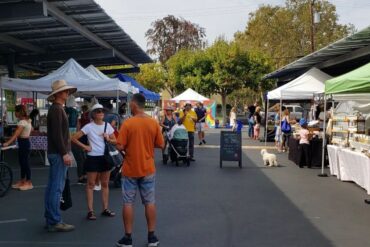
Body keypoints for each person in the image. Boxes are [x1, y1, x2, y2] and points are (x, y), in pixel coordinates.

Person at [116, 93, 164, 247]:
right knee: (149, 202)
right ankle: (152, 237)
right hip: (148, 168)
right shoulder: (153, 123)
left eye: (130, 103)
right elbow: (161, 144)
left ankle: (128, 238)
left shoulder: (128, 124)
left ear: (134, 105)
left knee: (128, 202)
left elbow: (120, 146)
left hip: (130, 169)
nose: (129, 106)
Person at [72, 103, 117, 220]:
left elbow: (116, 140)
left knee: (105, 184)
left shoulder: (108, 126)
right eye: (98, 111)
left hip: (105, 157)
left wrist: (108, 138)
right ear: (93, 114)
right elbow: (73, 138)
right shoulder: (88, 126)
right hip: (92, 157)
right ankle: (90, 211)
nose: (101, 113)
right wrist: (85, 147)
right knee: (91, 184)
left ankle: (105, 208)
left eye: (102, 111)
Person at [44, 79, 76, 232]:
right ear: (58, 94)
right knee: (56, 188)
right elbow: (58, 135)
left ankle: (51, 218)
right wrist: (64, 153)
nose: (67, 93)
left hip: (55, 153)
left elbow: (57, 135)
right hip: (58, 153)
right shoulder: (57, 110)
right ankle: (55, 220)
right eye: (65, 91)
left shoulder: (56, 109)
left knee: (53, 187)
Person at [3, 105, 33, 190]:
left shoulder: (22, 122)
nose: (14, 113)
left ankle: (29, 182)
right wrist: (26, 134)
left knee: (25, 163)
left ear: (19, 112)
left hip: (24, 143)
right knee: (22, 162)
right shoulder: (28, 120)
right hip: (25, 142)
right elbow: (31, 130)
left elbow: (16, 134)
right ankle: (23, 180)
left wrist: (8, 143)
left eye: (15, 111)